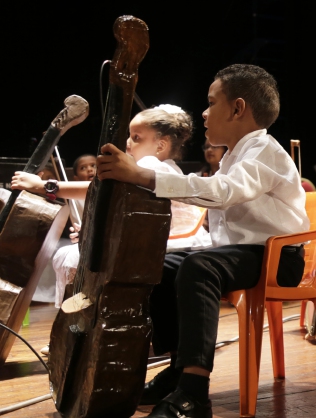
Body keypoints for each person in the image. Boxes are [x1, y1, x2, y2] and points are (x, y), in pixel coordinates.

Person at [96, 64, 309, 418]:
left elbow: (223, 192)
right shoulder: (234, 155)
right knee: (160, 267)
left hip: (276, 258)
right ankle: (179, 371)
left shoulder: (264, 150)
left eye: (212, 103)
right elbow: (211, 187)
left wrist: (144, 175)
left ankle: (194, 394)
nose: (205, 113)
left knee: (199, 266)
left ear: (238, 108)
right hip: (241, 254)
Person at [11, 105, 211, 309]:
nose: (128, 143)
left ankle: (84, 323)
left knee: (72, 257)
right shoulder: (164, 168)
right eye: (129, 136)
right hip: (162, 244)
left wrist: (44, 186)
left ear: (160, 145)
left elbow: (100, 188)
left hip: (169, 247)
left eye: (136, 137)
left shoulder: (153, 165)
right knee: (75, 254)